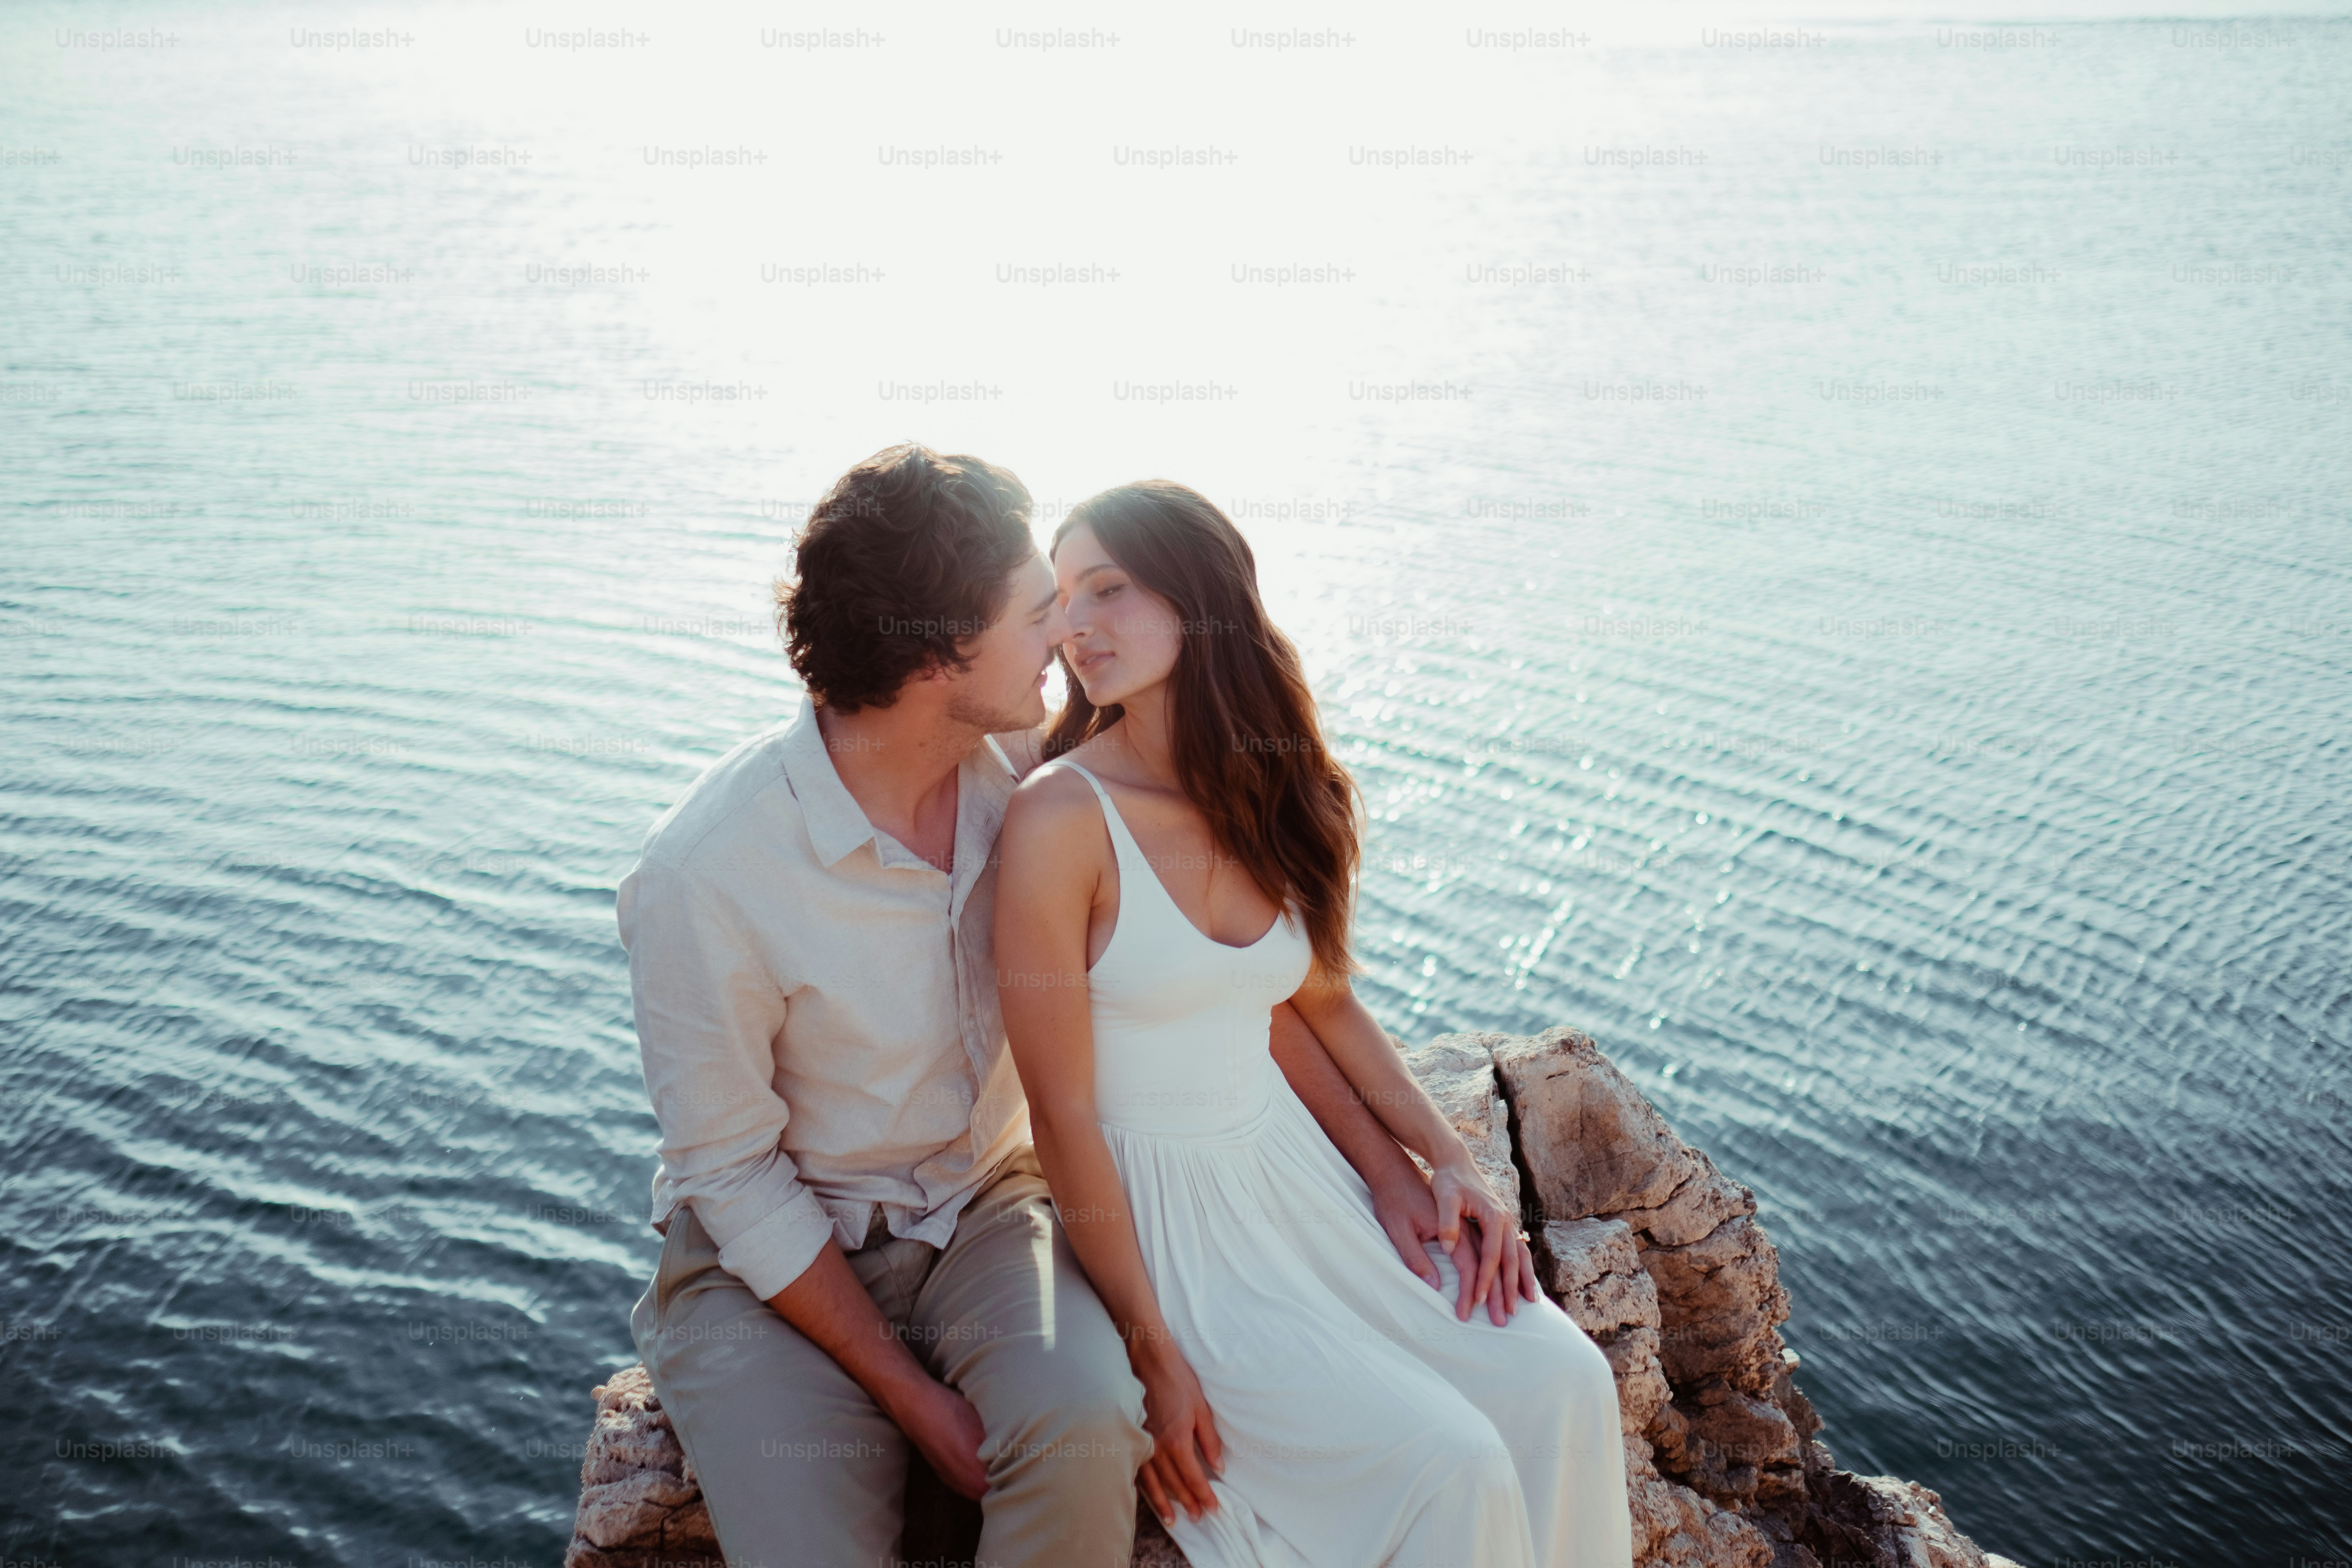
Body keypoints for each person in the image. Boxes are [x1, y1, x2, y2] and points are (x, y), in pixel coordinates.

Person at [617, 445, 1546, 1567]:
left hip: (985, 1214)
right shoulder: (703, 874)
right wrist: (918, 1400)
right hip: (772, 1269)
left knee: (1090, 1429)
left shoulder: (1025, 767)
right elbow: (732, 1177)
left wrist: (1408, 1163)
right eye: (1036, 611)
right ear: (937, 658)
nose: (1065, 631)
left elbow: (1246, 984)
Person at [995, 480, 1636, 1568]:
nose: (1073, 628)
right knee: (1451, 1462)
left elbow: (1318, 999)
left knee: (1566, 1380)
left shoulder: (1277, 788)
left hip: (1299, 1180)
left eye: (1106, 589)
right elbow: (1058, 1112)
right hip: (1163, 1224)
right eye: (1059, 602)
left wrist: (1438, 1163)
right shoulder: (1060, 816)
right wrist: (1151, 1355)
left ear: (1200, 597)